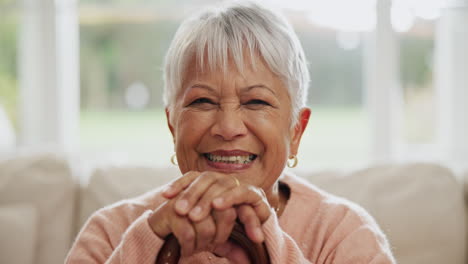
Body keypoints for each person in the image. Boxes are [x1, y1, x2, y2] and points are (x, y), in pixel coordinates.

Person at [66, 1, 396, 263]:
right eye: (203, 101)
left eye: (255, 101)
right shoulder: (109, 233)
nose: (227, 128)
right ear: (172, 124)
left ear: (296, 131)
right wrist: (149, 244)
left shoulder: (344, 234)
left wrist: (268, 250)